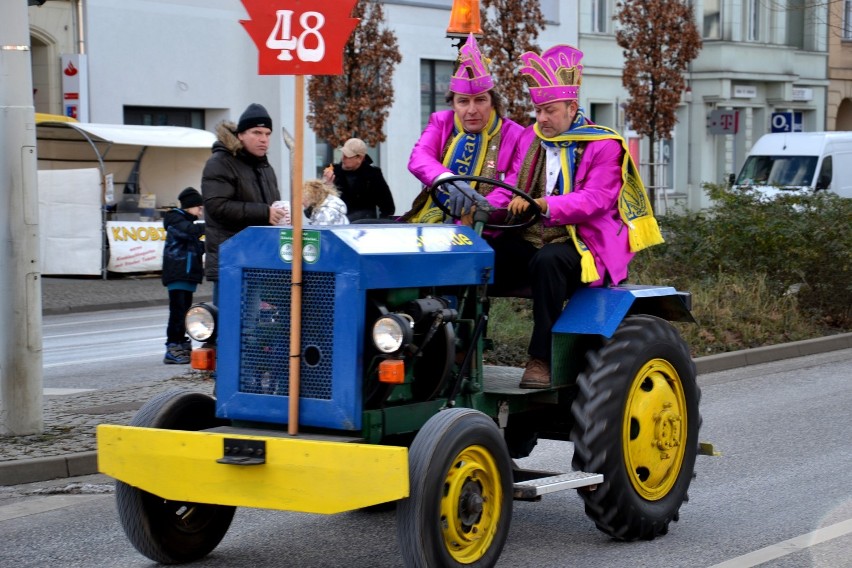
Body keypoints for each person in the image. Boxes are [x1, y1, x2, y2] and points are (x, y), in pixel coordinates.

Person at [483, 44, 664, 388]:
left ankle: (542, 359)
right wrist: (482, 203)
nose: (541, 119)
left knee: (547, 262)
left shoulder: (604, 145)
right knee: (478, 254)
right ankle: (464, 352)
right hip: (531, 236)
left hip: (583, 245)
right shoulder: (531, 139)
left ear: (572, 107)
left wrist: (545, 205)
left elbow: (596, 199)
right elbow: (509, 185)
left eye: (549, 110)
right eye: (538, 111)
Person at [403, 33, 523, 222]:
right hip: (435, 219)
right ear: (453, 104)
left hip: (487, 228)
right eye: (463, 102)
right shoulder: (441, 122)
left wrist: (478, 208)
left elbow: (515, 183)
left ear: (493, 103)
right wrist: (448, 180)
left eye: (481, 100)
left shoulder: (515, 134)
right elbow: (419, 157)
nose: (472, 110)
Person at [201, 103, 285, 304]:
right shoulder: (219, 162)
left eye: (267, 133)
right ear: (240, 135)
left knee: (257, 326)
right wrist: (264, 213)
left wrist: (281, 214)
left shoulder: (265, 167)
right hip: (232, 259)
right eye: (256, 132)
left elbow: (271, 206)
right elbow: (217, 206)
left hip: (261, 258)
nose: (263, 139)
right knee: (230, 326)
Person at [161, 187, 205, 364]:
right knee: (177, 311)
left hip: (188, 275)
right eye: (199, 208)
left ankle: (181, 343)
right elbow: (188, 232)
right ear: (190, 206)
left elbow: (196, 246)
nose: (200, 211)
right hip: (178, 273)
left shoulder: (188, 222)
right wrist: (214, 226)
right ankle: (172, 346)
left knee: (185, 312)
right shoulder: (175, 220)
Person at [322, 138, 394, 222]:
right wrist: (326, 186)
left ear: (360, 158)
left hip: (364, 227)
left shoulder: (373, 175)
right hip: (337, 227)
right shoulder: (332, 173)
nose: (343, 158)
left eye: (347, 156)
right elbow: (316, 207)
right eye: (343, 154)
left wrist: (379, 226)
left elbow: (388, 207)